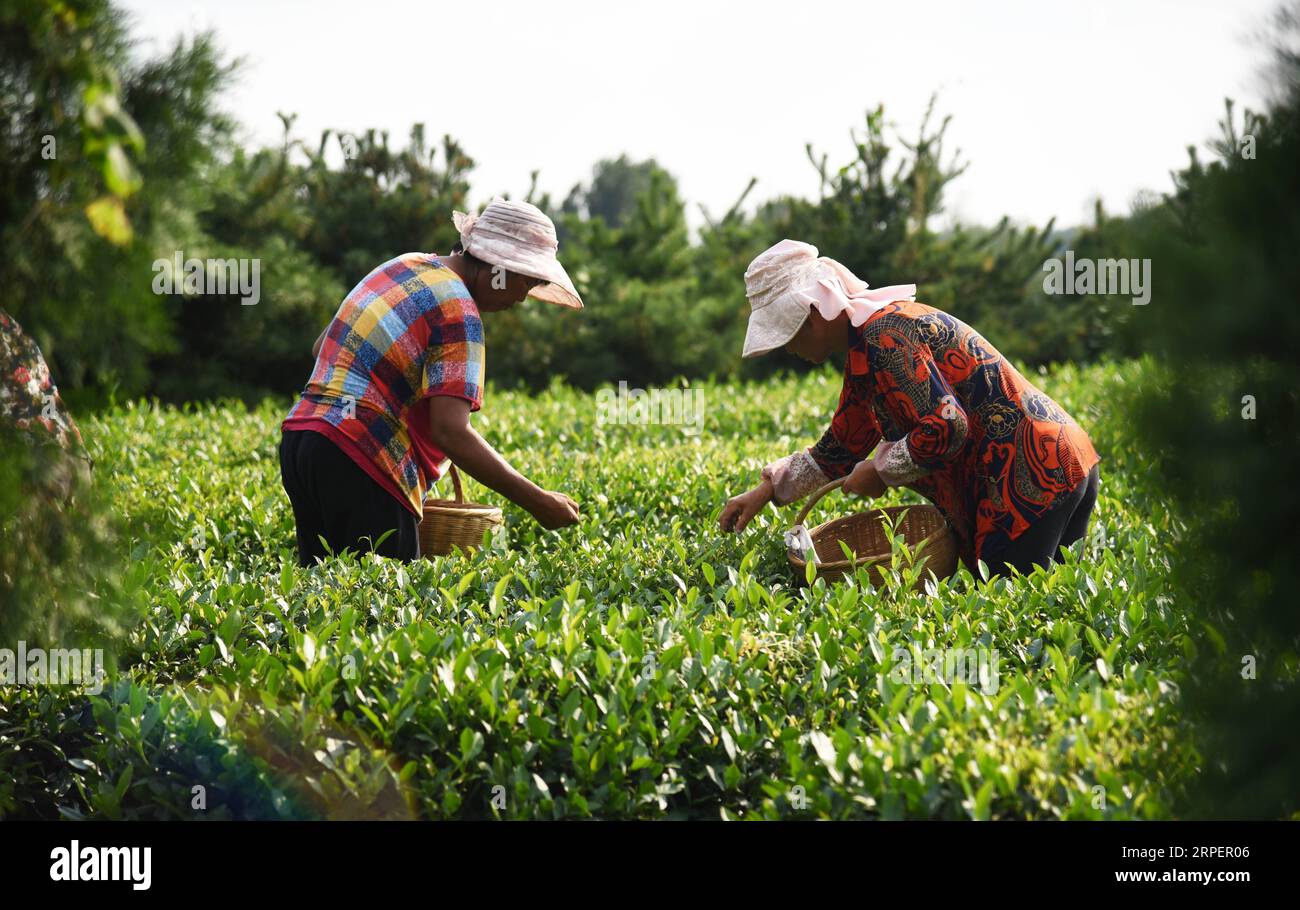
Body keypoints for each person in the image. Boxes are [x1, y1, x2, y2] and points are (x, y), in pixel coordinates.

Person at [718, 239, 1100, 578]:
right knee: (1050, 604)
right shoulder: (865, 351)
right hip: (1060, 462)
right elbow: (840, 449)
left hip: (1029, 478)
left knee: (1019, 609)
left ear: (814, 314)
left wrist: (881, 472)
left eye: (789, 334)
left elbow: (948, 425)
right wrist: (765, 491)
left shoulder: (886, 336)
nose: (789, 349)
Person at [280, 198, 582, 566]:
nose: (522, 296)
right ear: (497, 265)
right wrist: (538, 501)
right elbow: (451, 431)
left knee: (324, 602)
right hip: (362, 460)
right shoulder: (460, 311)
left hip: (303, 444)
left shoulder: (403, 266)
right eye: (524, 281)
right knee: (380, 610)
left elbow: (322, 346)